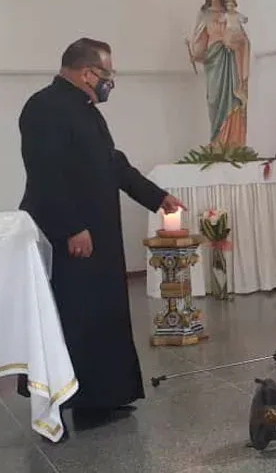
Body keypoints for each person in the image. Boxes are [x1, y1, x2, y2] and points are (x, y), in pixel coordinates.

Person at [17, 38, 186, 435]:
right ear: (87, 73)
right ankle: (79, 400)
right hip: (71, 236)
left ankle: (106, 396)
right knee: (78, 317)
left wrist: (156, 196)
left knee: (103, 314)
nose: (111, 82)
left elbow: (113, 164)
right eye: (108, 74)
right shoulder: (44, 107)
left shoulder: (86, 111)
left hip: (100, 233)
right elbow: (45, 174)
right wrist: (71, 227)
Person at [189, 0, 251, 148]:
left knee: (232, 96)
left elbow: (242, 36)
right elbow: (199, 37)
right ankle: (216, 139)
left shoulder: (229, 14)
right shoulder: (204, 14)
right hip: (213, 59)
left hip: (230, 58)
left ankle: (231, 141)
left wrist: (235, 41)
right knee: (214, 99)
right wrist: (196, 52)